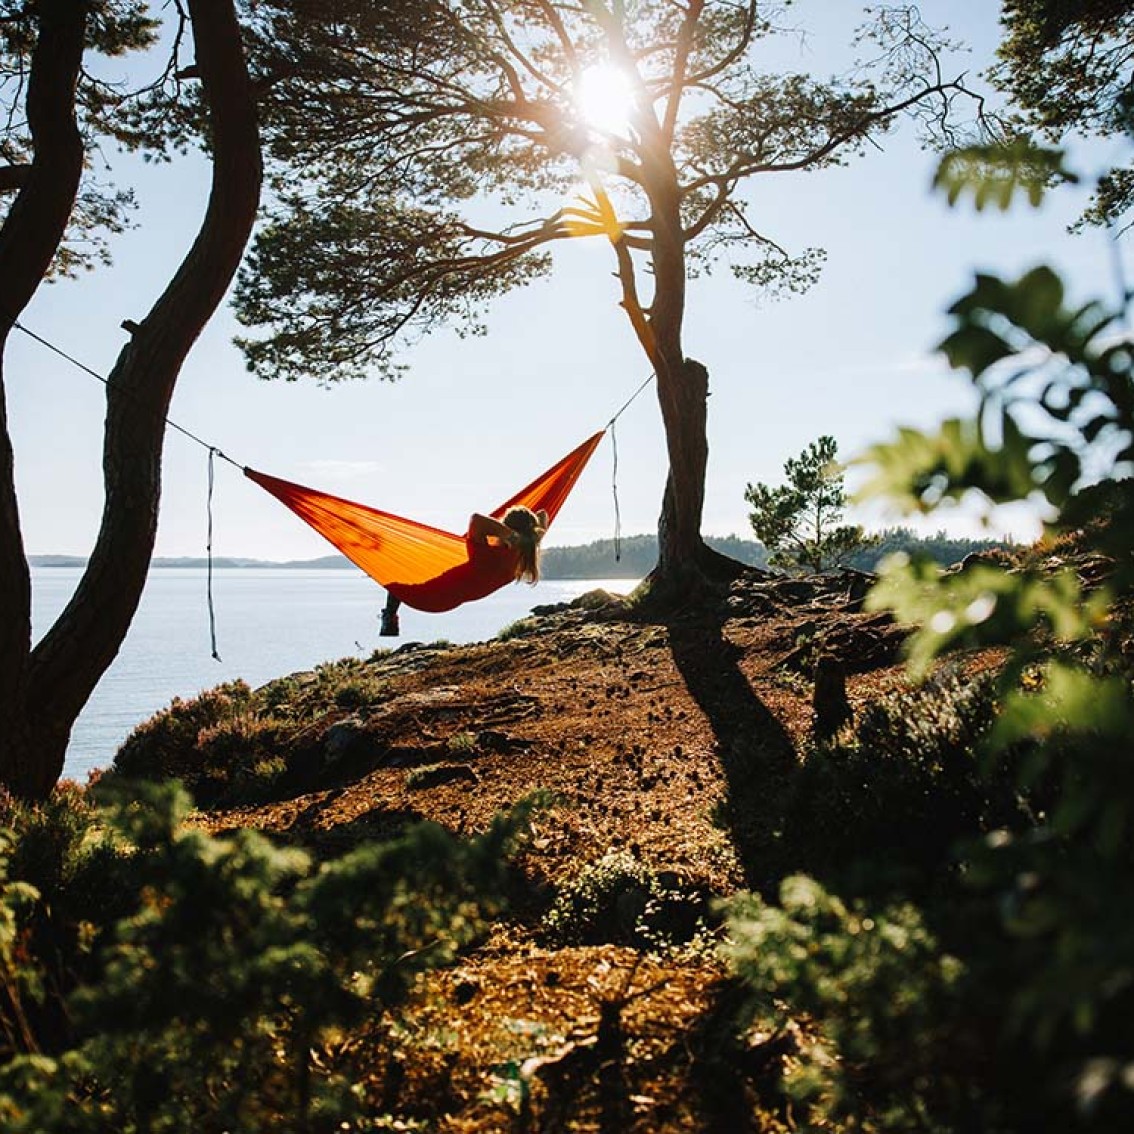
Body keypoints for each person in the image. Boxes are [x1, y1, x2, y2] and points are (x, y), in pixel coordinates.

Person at [379, 505, 549, 636]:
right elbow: (543, 514)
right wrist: (524, 535)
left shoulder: (490, 554)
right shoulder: (524, 556)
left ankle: (389, 617)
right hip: (449, 598)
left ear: (507, 529)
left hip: (432, 596)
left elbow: (476, 519)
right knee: (404, 572)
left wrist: (511, 536)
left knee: (393, 575)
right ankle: (389, 617)